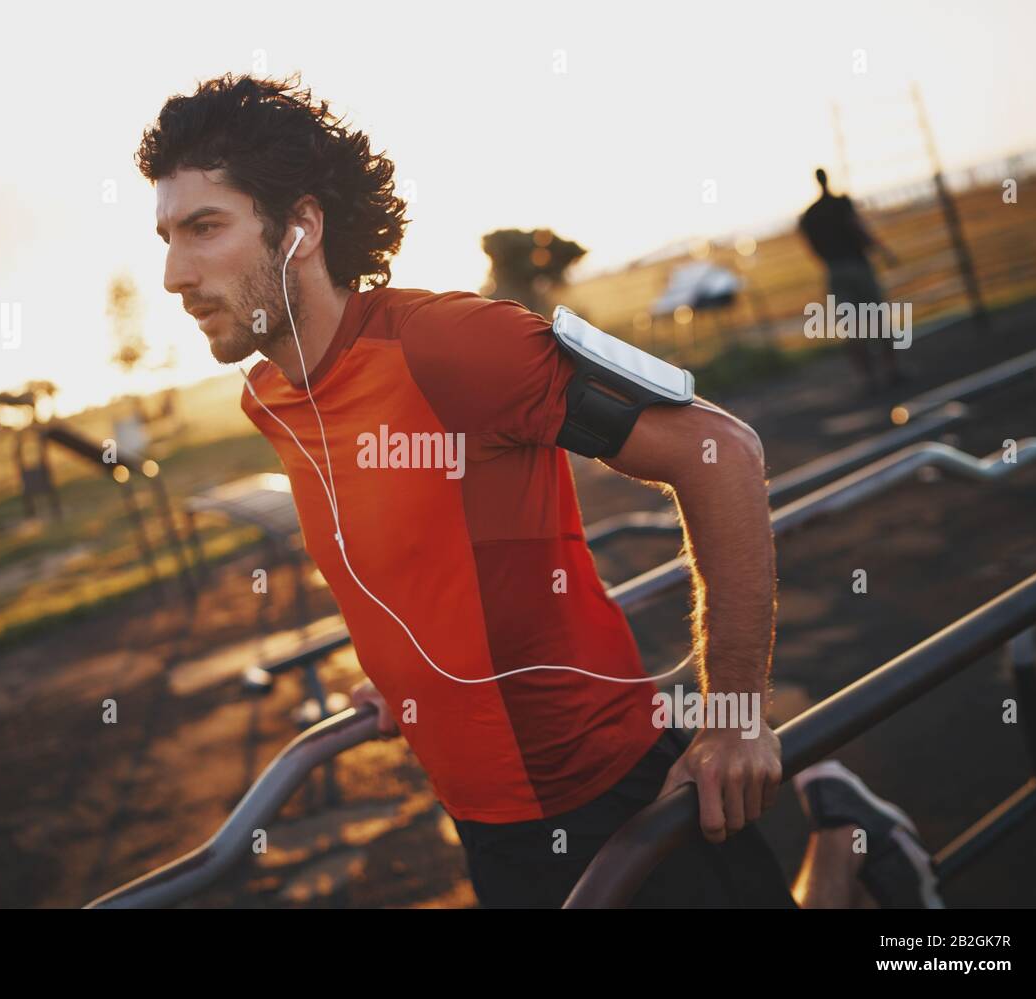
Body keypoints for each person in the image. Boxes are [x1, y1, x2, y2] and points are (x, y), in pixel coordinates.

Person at [137, 74, 942, 908]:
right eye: (165, 234)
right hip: (483, 821)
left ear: (299, 228)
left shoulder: (449, 344)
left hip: (608, 793)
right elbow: (403, 552)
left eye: (204, 227)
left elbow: (720, 452)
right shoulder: (268, 398)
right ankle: (844, 834)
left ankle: (847, 841)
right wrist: (414, 673)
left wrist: (735, 716)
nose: (171, 272)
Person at [798, 168, 910, 393]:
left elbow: (809, 244)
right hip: (857, 266)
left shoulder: (809, 215)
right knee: (878, 319)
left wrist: (829, 260)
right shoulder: (841, 203)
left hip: (834, 270)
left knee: (852, 327)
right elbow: (858, 228)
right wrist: (883, 251)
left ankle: (866, 379)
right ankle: (891, 370)